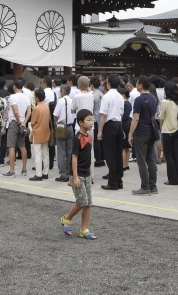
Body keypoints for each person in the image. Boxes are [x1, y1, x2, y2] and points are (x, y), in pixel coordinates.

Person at [60, 109, 96, 240]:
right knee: (81, 201)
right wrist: (74, 176)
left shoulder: (89, 137)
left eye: (92, 120)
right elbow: (74, 158)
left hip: (86, 174)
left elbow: (88, 156)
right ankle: (66, 218)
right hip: (78, 175)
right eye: (88, 120)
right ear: (80, 122)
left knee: (88, 203)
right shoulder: (77, 138)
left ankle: (84, 229)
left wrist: (90, 172)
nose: (91, 123)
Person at [128, 76, 158, 195]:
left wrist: (130, 133)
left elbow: (135, 118)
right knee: (150, 159)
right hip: (151, 131)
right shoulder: (153, 98)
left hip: (141, 132)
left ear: (140, 85)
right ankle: (153, 186)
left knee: (141, 160)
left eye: (137, 83)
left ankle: (145, 187)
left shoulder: (139, 100)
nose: (136, 84)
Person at [98, 75, 125, 190]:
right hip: (118, 124)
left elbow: (103, 115)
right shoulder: (120, 96)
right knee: (118, 154)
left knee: (110, 155)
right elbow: (121, 114)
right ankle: (119, 180)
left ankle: (112, 182)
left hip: (109, 125)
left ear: (108, 83)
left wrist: (100, 131)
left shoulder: (106, 96)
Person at [3, 80, 30, 177]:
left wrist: (19, 122)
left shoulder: (12, 97)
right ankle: (24, 169)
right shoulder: (26, 97)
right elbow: (29, 112)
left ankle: (12, 170)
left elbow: (15, 111)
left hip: (14, 122)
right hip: (23, 122)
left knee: (11, 146)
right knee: (22, 146)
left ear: (14, 86)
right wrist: (24, 123)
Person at [159, 81, 178, 186]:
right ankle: (177, 176)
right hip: (177, 129)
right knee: (176, 154)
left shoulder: (165, 102)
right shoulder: (177, 101)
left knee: (168, 156)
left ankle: (173, 179)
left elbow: (162, 117)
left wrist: (161, 128)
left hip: (167, 131)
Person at [53, 85, 76, 182]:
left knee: (61, 151)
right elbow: (74, 114)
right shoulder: (72, 101)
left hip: (61, 127)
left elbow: (55, 115)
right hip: (70, 126)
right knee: (69, 150)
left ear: (62, 91)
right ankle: (69, 170)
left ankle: (63, 173)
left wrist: (55, 123)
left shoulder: (61, 101)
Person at [28, 89, 51, 181]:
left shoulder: (36, 108)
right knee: (45, 153)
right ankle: (45, 172)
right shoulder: (46, 106)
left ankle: (38, 174)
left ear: (37, 98)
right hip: (46, 131)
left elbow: (33, 122)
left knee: (38, 154)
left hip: (37, 132)